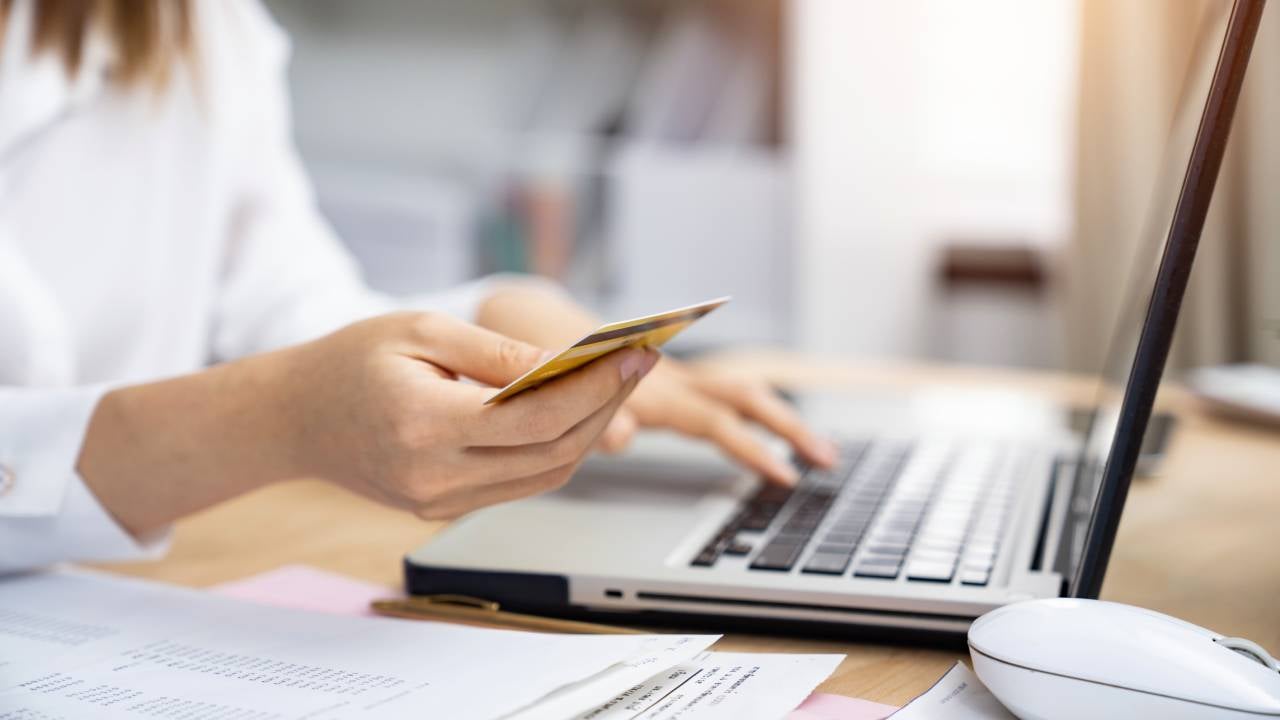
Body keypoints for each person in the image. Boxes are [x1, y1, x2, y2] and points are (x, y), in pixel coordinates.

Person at [0, 0, 835, 572]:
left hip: (127, 604)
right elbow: (287, 388)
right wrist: (279, 418)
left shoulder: (192, 22)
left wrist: (495, 323)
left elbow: (284, 305)